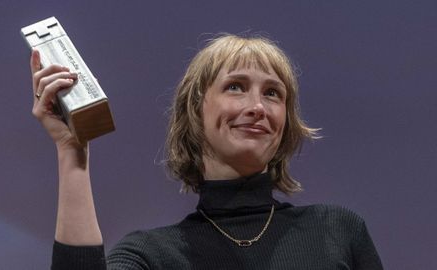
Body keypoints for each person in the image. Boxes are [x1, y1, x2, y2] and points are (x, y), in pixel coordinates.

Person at [29, 34, 383, 269]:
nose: (258, 106)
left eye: (273, 93)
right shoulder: (152, 256)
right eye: (236, 87)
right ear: (196, 110)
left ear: (285, 122)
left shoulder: (338, 230)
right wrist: (72, 152)